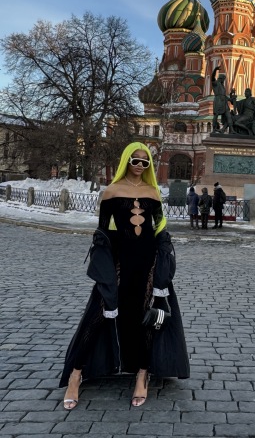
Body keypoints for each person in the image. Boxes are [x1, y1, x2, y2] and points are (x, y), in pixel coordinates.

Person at [60, 142, 189, 410]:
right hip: (119, 262)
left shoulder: (153, 192)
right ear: (126, 161)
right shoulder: (112, 191)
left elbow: (159, 226)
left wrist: (163, 259)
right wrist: (104, 261)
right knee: (98, 315)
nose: (140, 165)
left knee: (145, 318)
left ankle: (142, 373)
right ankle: (75, 374)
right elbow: (103, 231)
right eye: (135, 160)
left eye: (145, 161)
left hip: (148, 263)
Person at [211, 65, 235, 133]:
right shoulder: (215, 83)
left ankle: (231, 129)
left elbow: (224, 96)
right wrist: (215, 70)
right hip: (218, 101)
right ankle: (214, 129)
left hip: (224, 102)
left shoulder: (222, 86)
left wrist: (230, 98)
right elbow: (212, 78)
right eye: (223, 79)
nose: (224, 81)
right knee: (216, 115)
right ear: (221, 78)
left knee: (228, 115)